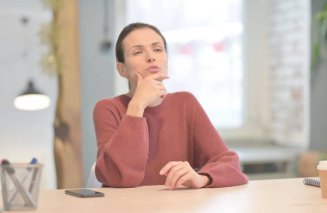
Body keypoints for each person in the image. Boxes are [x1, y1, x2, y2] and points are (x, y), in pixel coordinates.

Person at [93, 22, 248, 190]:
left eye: (158, 49)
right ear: (122, 69)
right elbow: (117, 177)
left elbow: (230, 164)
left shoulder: (185, 103)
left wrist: (202, 178)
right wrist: (137, 106)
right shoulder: (107, 109)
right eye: (138, 52)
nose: (151, 57)